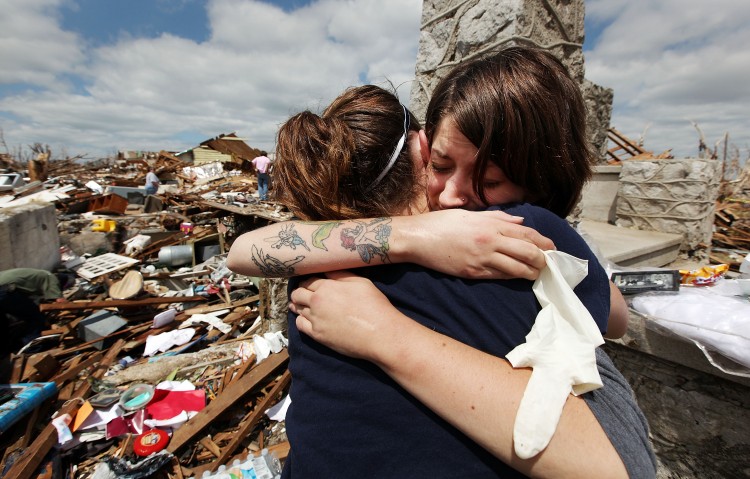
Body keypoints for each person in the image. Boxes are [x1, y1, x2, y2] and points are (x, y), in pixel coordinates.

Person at [229, 48, 654, 478]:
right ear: (421, 143)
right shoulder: (522, 229)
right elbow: (244, 251)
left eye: (489, 180)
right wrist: (417, 237)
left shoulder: (321, 253)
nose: (452, 196)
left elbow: (247, 249)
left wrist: (384, 328)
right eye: (441, 165)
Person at [0, 268, 73, 355]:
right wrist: (75, 308)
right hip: (4, 290)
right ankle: (32, 350)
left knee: (3, 324)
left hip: (4, 288)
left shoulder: (37, 275)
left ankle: (4, 352)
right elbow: (60, 302)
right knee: (35, 318)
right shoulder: (51, 277)